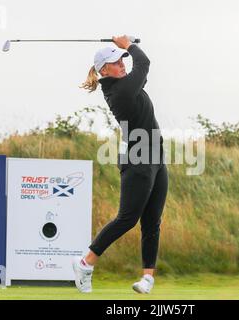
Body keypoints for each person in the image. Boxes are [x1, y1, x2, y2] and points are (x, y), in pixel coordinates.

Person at [73, 35, 168, 294]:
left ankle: (147, 278)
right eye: (116, 62)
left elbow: (140, 69)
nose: (122, 64)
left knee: (152, 220)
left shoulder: (126, 85)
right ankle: (85, 263)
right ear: (104, 70)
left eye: (122, 60)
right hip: (138, 159)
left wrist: (127, 49)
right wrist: (128, 45)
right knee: (127, 218)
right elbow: (144, 62)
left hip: (156, 158)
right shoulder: (120, 91)